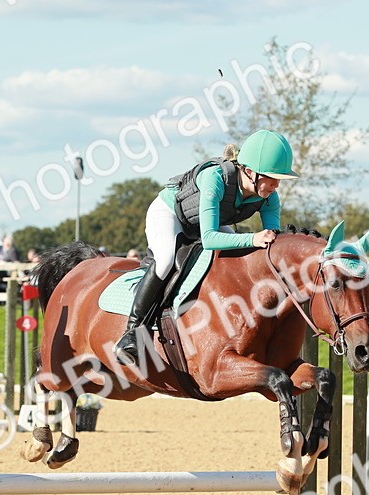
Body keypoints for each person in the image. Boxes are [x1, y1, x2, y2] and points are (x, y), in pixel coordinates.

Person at [115, 129, 297, 365]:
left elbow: (272, 241)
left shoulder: (269, 197)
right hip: (170, 214)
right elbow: (210, 239)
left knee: (236, 258)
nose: (276, 185)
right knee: (167, 258)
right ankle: (132, 332)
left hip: (206, 224)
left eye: (279, 179)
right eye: (272, 178)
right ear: (250, 171)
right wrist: (253, 238)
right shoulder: (215, 178)